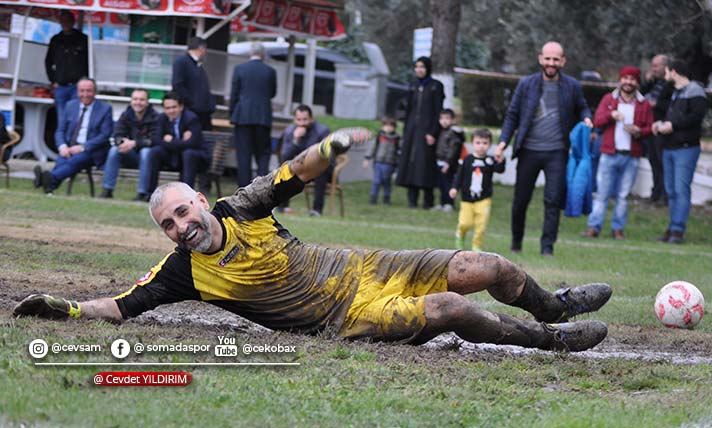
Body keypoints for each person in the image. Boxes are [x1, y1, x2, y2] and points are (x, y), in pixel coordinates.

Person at [14, 127, 612, 353]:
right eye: (167, 226)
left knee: (486, 266)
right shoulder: (183, 273)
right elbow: (118, 306)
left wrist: (330, 148)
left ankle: (553, 304)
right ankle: (548, 341)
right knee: (453, 309)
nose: (179, 227)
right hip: (349, 314)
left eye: (180, 212)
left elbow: (291, 173)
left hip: (368, 265)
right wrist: (61, 307)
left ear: (198, 198)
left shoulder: (239, 206)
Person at [495, 41, 593, 256]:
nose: (551, 63)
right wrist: (503, 142)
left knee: (552, 201)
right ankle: (516, 243)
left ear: (563, 61)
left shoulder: (572, 86)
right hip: (528, 150)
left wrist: (587, 118)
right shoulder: (526, 84)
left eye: (556, 59)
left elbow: (583, 106)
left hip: (557, 152)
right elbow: (512, 115)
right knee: (520, 201)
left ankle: (547, 248)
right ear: (540, 59)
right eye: (547, 58)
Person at [582, 66, 653, 240]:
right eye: (625, 78)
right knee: (602, 193)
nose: (628, 82)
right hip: (609, 153)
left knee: (623, 195)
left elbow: (649, 128)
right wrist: (610, 115)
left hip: (631, 155)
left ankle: (618, 229)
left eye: (632, 79)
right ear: (620, 80)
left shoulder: (643, 104)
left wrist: (638, 131)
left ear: (637, 82)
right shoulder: (608, 99)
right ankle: (594, 227)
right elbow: (597, 121)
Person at [653, 59, 708, 244]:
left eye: (667, 71)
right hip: (669, 147)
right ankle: (672, 227)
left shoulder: (695, 91)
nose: (665, 75)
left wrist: (672, 125)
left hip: (686, 148)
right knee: (671, 190)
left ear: (674, 72)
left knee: (680, 189)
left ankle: (678, 230)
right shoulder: (674, 93)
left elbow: (695, 117)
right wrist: (660, 124)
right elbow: (666, 113)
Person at [33, 78, 112, 194]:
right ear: (77, 92)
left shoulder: (105, 109)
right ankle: (49, 186)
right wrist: (62, 146)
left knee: (75, 160)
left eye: (89, 91)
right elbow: (60, 131)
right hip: (70, 147)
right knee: (63, 158)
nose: (85, 94)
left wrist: (82, 147)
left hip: (92, 151)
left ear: (95, 92)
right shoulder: (70, 106)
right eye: (82, 91)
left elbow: (104, 135)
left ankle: (47, 179)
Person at [142, 92, 210, 201]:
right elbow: (155, 140)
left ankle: (187, 197)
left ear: (181, 106)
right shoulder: (161, 118)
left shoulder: (191, 118)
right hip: (173, 157)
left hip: (195, 158)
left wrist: (171, 141)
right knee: (155, 151)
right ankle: (150, 193)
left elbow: (194, 143)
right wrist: (180, 142)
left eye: (174, 107)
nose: (171, 111)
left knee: (188, 153)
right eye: (167, 108)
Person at [396, 56, 444, 209]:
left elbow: (437, 111)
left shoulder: (435, 86)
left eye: (422, 67)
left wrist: (433, 132)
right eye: (417, 67)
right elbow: (408, 108)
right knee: (410, 162)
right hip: (412, 131)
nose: (419, 70)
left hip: (427, 131)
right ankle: (412, 199)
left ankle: (428, 201)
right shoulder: (413, 85)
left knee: (426, 164)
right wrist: (406, 130)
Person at [229, 41, 278, 187]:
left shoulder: (239, 69)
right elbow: (272, 93)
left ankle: (244, 188)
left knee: (243, 155)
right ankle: (262, 187)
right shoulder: (270, 71)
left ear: (250, 54)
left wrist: (233, 114)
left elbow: (234, 94)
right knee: (263, 154)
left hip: (242, 117)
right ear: (263, 55)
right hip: (263, 117)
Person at [449, 128, 505, 251]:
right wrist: (454, 188)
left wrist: (501, 160)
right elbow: (459, 176)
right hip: (467, 199)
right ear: (473, 143)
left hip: (484, 199)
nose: (481, 146)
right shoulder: (467, 160)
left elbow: (500, 169)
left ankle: (476, 246)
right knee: (465, 223)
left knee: (481, 225)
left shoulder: (489, 160)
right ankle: (460, 236)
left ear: (490, 144)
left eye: (485, 143)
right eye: (478, 143)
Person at [99, 88, 160, 199]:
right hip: (129, 154)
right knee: (114, 150)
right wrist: (123, 142)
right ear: (131, 101)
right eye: (135, 99)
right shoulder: (126, 115)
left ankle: (142, 193)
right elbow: (117, 135)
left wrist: (134, 143)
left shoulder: (156, 117)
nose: (138, 102)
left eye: (142, 100)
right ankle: (107, 190)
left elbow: (155, 140)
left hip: (148, 157)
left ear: (147, 102)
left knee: (146, 152)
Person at [278, 104, 331, 216]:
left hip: (319, 167)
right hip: (300, 167)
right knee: (284, 169)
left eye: (305, 119)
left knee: (322, 172)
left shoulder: (322, 131)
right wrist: (295, 140)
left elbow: (326, 156)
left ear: (311, 119)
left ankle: (317, 210)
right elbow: (285, 156)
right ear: (294, 119)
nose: (302, 123)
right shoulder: (289, 131)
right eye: (299, 119)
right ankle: (283, 206)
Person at [641, 54, 674, 204]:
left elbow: (672, 105)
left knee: (662, 161)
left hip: (662, 127)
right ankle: (656, 192)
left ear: (665, 67)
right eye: (652, 66)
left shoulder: (671, 84)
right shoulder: (653, 82)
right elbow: (640, 95)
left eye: (656, 66)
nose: (653, 69)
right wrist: (648, 82)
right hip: (649, 126)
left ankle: (665, 195)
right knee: (653, 159)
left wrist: (656, 105)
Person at [45, 11, 88, 124]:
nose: (66, 23)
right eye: (63, 20)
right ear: (60, 22)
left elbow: (89, 61)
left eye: (68, 20)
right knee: (61, 118)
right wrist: (53, 80)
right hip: (61, 86)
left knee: (75, 117)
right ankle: (61, 141)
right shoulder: (56, 39)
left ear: (73, 22)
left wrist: (85, 81)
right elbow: (48, 61)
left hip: (77, 85)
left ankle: (72, 141)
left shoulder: (83, 39)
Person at [172, 37, 215, 131]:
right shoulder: (182, 62)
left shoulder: (197, 64)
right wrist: (191, 102)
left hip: (202, 111)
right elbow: (178, 85)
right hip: (192, 111)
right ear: (201, 49)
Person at [362, 116, 400, 205]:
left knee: (386, 181)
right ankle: (373, 198)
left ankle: (386, 198)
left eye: (390, 126)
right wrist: (367, 158)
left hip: (390, 163)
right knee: (376, 181)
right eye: (386, 126)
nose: (388, 128)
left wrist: (398, 163)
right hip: (378, 162)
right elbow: (372, 148)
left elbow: (399, 151)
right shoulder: (379, 136)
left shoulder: (397, 138)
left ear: (394, 127)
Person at [434, 109, 465, 212]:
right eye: (442, 118)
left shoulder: (454, 133)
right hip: (440, 161)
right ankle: (442, 203)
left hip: (449, 164)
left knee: (448, 184)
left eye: (447, 118)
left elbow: (453, 149)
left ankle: (449, 203)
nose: (444, 121)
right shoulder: (442, 131)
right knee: (441, 184)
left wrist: (448, 162)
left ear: (452, 120)